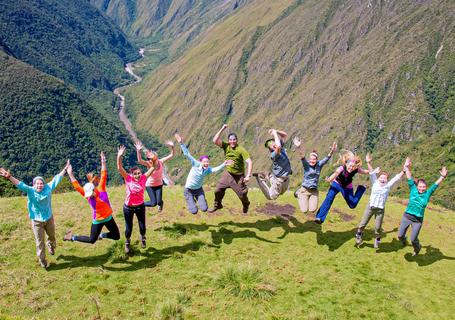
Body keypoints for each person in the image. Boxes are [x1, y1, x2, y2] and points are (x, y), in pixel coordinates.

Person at [0, 161, 69, 268]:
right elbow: (20, 184)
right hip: (36, 221)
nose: (39, 185)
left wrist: (65, 169)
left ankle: (51, 245)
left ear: (44, 184)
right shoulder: (30, 191)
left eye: (41, 183)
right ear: (34, 184)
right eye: (37, 183)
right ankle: (43, 261)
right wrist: (9, 177)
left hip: (49, 218)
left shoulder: (48, 187)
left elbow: (57, 178)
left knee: (52, 236)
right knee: (39, 242)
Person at [63, 152, 120, 245]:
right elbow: (77, 186)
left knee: (116, 236)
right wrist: (70, 173)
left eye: (90, 193)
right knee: (91, 240)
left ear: (94, 189)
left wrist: (103, 161)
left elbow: (104, 174)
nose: (89, 196)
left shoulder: (101, 189)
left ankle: (101, 235)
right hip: (97, 220)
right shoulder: (87, 194)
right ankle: (72, 237)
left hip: (108, 217)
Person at [398, 158, 447, 256]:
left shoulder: (427, 193)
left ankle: (417, 248)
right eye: (420, 186)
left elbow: (435, 185)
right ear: (417, 186)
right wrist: (406, 167)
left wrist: (442, 177)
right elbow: (409, 177)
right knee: (400, 235)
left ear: (426, 187)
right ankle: (403, 241)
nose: (421, 188)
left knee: (413, 239)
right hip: (407, 216)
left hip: (417, 220)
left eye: (423, 187)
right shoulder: (413, 189)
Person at [175, 133, 233, 214]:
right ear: (200, 162)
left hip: (198, 190)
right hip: (189, 190)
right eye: (204, 162)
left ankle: (198, 201)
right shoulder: (195, 164)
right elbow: (187, 154)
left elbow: (215, 169)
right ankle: (191, 201)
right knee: (194, 211)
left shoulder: (208, 169)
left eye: (207, 162)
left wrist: (224, 164)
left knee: (204, 209)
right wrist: (181, 143)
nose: (206, 163)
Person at [354, 153, 404, 248]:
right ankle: (359, 235)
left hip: (380, 210)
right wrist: (368, 162)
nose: (383, 179)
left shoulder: (388, 186)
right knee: (362, 224)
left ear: (386, 180)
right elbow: (372, 172)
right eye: (381, 177)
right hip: (370, 207)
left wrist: (404, 170)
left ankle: (377, 239)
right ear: (379, 178)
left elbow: (397, 178)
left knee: (377, 227)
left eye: (384, 178)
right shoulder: (375, 182)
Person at [117, 145, 156, 253]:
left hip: (140, 207)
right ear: (131, 174)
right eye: (135, 174)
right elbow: (120, 168)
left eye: (139, 173)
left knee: (142, 227)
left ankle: (143, 238)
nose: (137, 175)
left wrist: (152, 158)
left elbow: (153, 167)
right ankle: (127, 242)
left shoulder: (144, 178)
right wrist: (119, 156)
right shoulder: (128, 178)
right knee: (128, 229)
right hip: (128, 208)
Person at [208, 124, 253, 213]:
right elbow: (215, 140)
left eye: (234, 140)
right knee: (218, 190)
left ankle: (246, 204)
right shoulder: (226, 146)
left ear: (237, 140)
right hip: (228, 174)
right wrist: (222, 128)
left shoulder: (241, 150)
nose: (232, 141)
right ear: (228, 141)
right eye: (230, 140)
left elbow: (249, 162)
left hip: (238, 176)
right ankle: (217, 205)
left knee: (242, 194)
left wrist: (248, 176)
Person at [315, 150, 369, 224]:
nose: (351, 168)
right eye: (350, 166)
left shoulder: (356, 169)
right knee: (329, 197)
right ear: (346, 164)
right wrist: (330, 179)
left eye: (353, 167)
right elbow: (336, 173)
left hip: (347, 186)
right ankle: (319, 217)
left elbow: (365, 172)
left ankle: (361, 189)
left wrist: (372, 171)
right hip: (337, 183)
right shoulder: (341, 168)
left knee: (352, 205)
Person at [293, 138, 337, 213]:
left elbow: (327, 157)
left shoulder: (319, 165)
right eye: (311, 159)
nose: (312, 161)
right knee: (304, 210)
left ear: (317, 160)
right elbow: (302, 156)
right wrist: (298, 147)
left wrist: (332, 151)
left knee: (312, 210)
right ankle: (298, 193)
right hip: (304, 190)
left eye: (314, 159)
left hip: (314, 191)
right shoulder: (306, 165)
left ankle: (309, 199)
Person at [135, 140, 174, 212]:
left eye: (152, 156)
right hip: (150, 185)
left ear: (156, 156)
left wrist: (172, 146)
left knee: (159, 202)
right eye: (149, 158)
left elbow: (171, 155)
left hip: (159, 185)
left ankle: (161, 203)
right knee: (153, 203)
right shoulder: (148, 164)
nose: (151, 159)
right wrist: (138, 151)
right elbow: (140, 160)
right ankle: (139, 204)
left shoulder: (161, 161)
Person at [254, 129, 292, 200]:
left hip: (286, 179)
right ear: (270, 149)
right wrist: (274, 134)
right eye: (271, 145)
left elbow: (284, 135)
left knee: (281, 193)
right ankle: (260, 179)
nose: (273, 145)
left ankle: (269, 176)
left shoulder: (281, 147)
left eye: (273, 142)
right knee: (271, 197)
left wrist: (276, 131)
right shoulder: (273, 155)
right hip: (279, 181)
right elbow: (278, 147)